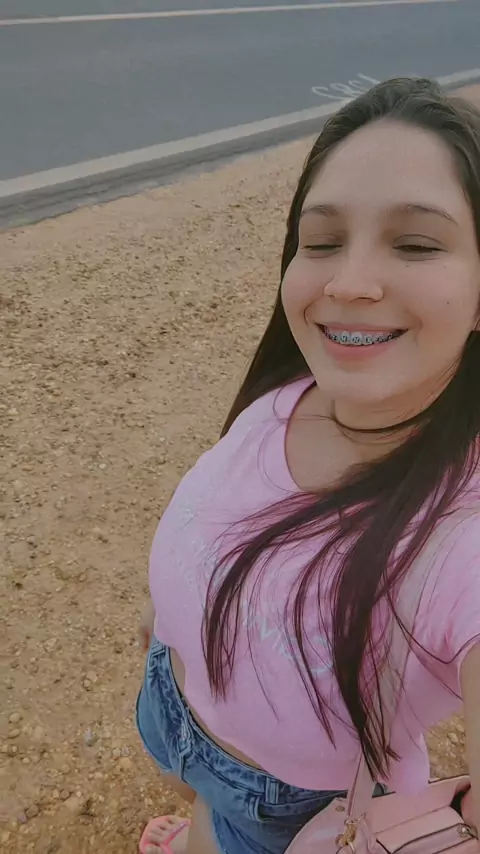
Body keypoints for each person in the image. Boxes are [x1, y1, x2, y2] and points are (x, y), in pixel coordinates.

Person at [136, 77, 480, 854]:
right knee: (203, 806)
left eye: (416, 244)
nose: (346, 283)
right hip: (172, 701)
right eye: (320, 241)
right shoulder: (292, 389)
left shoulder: (463, 532)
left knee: (228, 830)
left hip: (291, 812)